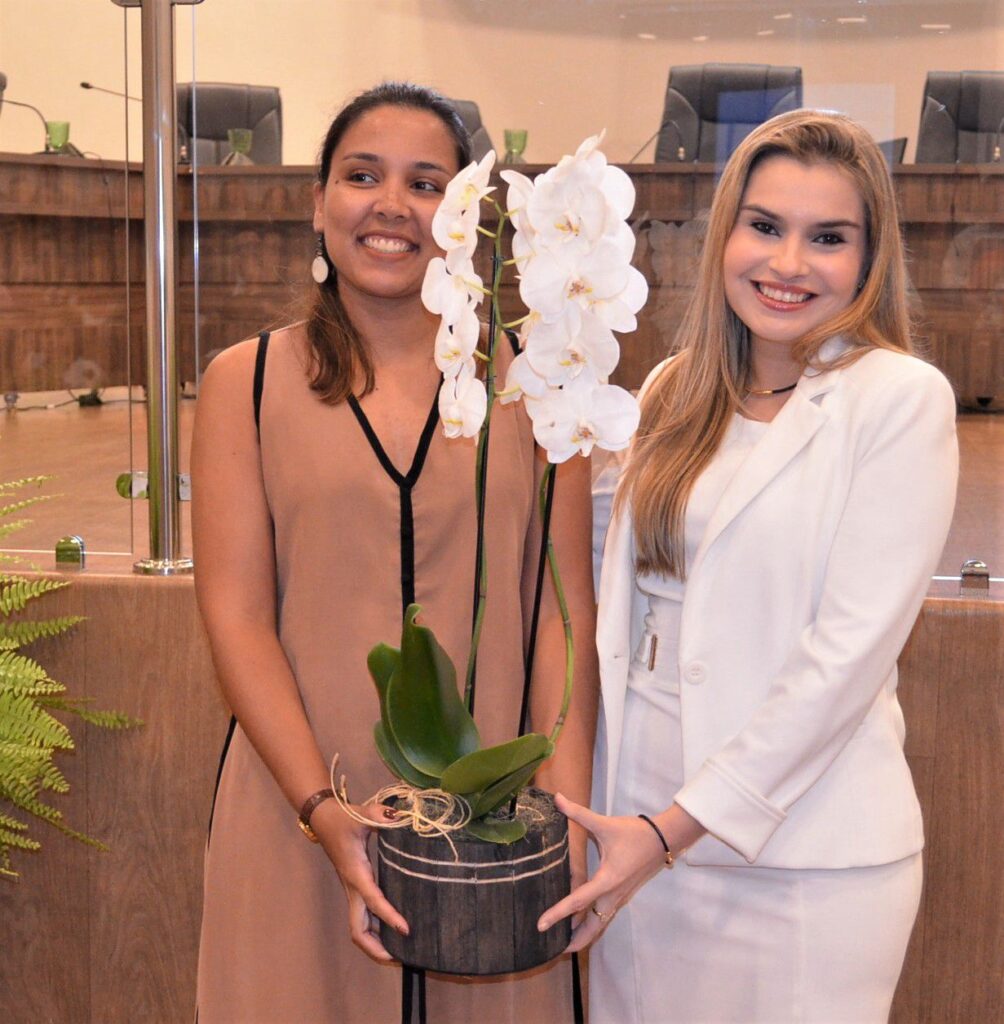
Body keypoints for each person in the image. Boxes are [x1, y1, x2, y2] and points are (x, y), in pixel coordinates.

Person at [538, 109, 959, 1023]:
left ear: (870, 258)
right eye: (765, 226)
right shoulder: (674, 390)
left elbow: (843, 663)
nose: (788, 263)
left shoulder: (899, 399)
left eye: (829, 238)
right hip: (633, 841)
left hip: (803, 867)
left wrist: (669, 831)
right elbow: (597, 578)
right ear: (725, 233)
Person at [191, 82, 598, 1024]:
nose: (391, 205)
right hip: (298, 807)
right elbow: (237, 618)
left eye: (426, 184)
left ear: (467, 217)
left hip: (494, 842)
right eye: (362, 176)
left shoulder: (541, 384)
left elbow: (562, 617)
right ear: (318, 202)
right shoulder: (246, 383)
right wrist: (321, 810)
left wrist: (563, 821)